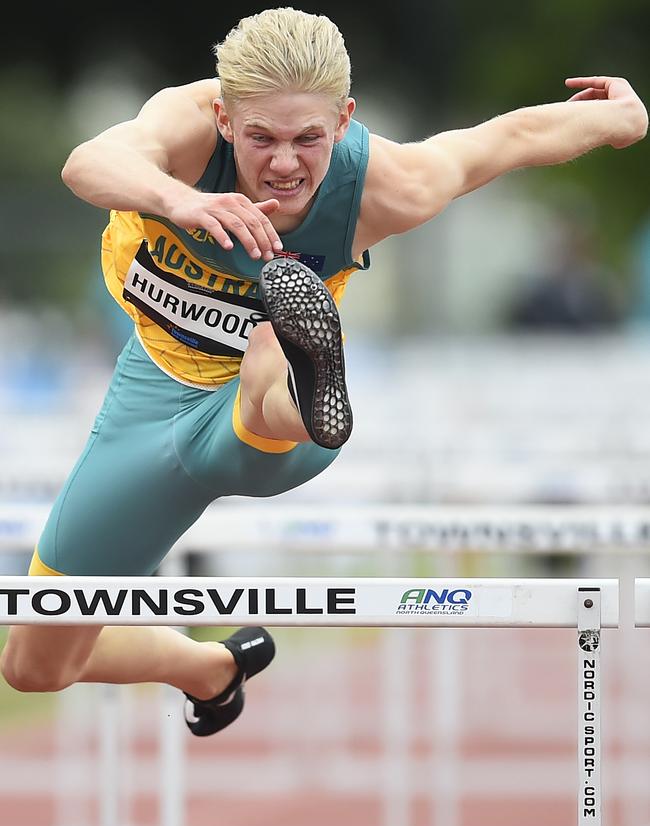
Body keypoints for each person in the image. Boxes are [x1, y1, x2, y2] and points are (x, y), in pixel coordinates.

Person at [1, 7, 646, 735]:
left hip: (277, 426)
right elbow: (86, 162)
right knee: (33, 661)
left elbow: (502, 142)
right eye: (261, 139)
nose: (283, 163)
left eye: (309, 138)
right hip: (146, 400)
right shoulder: (183, 133)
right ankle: (209, 670)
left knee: (265, 363)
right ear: (221, 116)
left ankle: (293, 376)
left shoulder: (383, 187)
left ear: (344, 120)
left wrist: (621, 119)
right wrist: (183, 199)